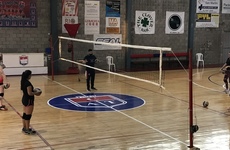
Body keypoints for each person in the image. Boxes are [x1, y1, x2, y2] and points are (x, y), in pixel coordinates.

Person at [20, 70, 41, 135]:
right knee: (28, 115)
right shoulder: (28, 83)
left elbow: (26, 91)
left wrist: (33, 90)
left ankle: (24, 127)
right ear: (28, 75)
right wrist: (36, 93)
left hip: (24, 99)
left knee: (25, 114)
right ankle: (27, 129)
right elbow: (30, 93)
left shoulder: (23, 82)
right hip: (29, 100)